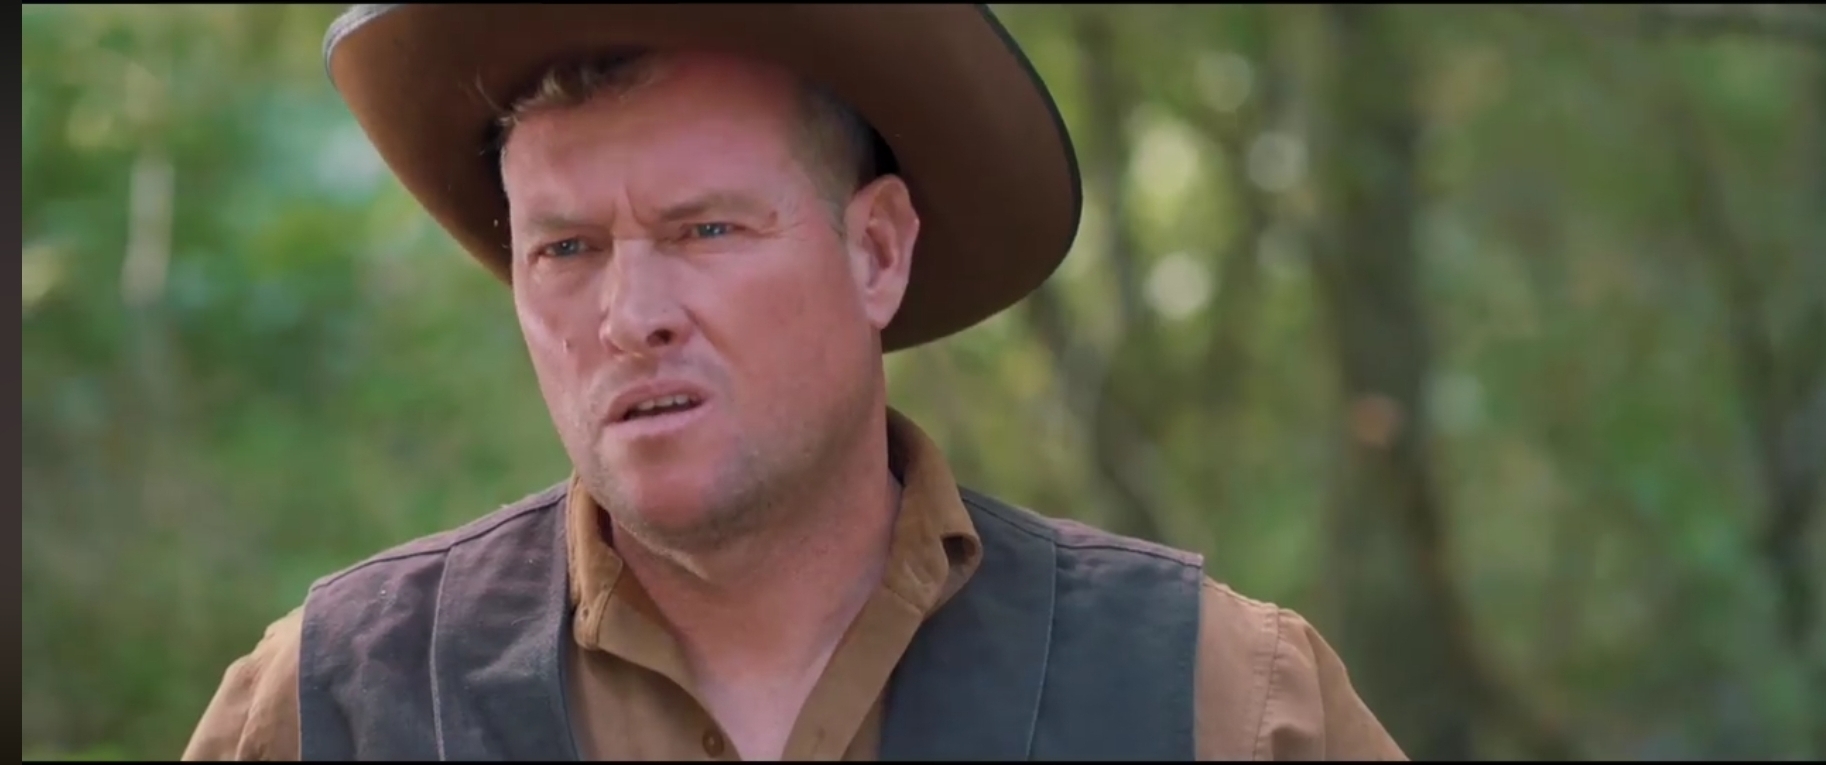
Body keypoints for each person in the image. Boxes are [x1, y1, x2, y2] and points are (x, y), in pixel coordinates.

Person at [182, 4, 1404, 761]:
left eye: (707, 230)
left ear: (875, 252)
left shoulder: (1212, 700)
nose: (631, 318)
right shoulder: (335, 706)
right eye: (565, 249)